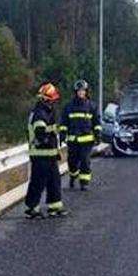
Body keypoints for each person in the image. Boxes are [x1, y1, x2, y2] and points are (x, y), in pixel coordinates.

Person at [24, 82, 68, 219]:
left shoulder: (47, 112)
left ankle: (54, 207)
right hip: (40, 154)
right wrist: (53, 130)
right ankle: (32, 208)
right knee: (38, 182)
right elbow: (40, 132)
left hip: (49, 154)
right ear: (46, 99)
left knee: (54, 181)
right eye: (52, 100)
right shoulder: (39, 113)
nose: (54, 102)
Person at [60, 79, 102, 191]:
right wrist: (62, 135)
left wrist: (98, 135)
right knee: (72, 162)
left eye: (83, 91)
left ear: (86, 92)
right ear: (75, 92)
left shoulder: (92, 106)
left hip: (87, 140)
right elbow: (63, 122)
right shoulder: (68, 107)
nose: (81, 93)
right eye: (79, 91)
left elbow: (96, 122)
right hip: (73, 140)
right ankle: (73, 176)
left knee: (85, 160)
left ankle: (84, 183)